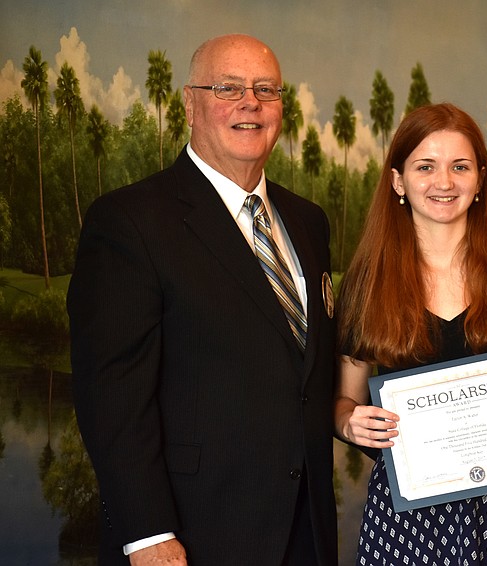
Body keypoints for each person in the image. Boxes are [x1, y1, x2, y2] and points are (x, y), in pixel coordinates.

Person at [68, 34, 337, 566]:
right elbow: (111, 397)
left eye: (266, 89)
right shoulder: (128, 221)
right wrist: (148, 535)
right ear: (190, 104)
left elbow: (306, 379)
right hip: (191, 538)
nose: (250, 103)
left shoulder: (308, 222)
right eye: (228, 88)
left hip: (305, 532)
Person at [334, 102, 487, 565]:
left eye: (460, 166)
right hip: (406, 515)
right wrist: (348, 422)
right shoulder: (367, 283)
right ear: (398, 181)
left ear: (480, 179)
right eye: (426, 167)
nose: (444, 182)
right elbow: (344, 401)